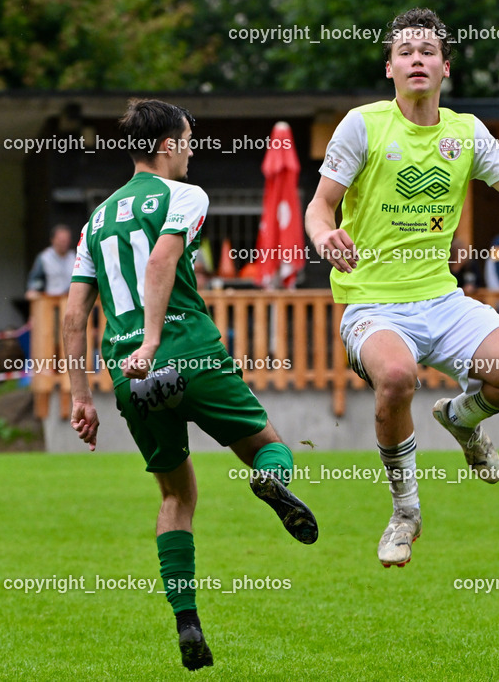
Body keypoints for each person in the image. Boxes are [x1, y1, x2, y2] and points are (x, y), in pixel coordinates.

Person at [304, 8, 499, 568]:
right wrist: (324, 236)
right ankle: (406, 511)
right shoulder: (362, 125)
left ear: (446, 66)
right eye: (405, 51)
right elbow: (319, 207)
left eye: (427, 51)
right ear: (390, 67)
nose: (416, 59)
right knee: (396, 377)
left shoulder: (467, 133)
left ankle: (461, 417)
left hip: (441, 300)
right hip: (372, 303)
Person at [62, 99, 318, 671]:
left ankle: (187, 621)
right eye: (188, 140)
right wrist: (155, 342)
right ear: (171, 145)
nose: (193, 150)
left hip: (125, 372)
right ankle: (270, 483)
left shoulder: (95, 220)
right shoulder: (186, 195)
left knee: (177, 497)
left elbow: (74, 315)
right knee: (268, 446)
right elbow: (161, 261)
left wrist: (81, 398)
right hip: (185, 351)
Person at [26, 224, 76, 298]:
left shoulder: (75, 257)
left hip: (70, 298)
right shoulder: (44, 257)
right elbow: (35, 279)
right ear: (52, 240)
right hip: (51, 300)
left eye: (66, 240)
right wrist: (33, 289)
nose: (63, 243)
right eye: (61, 240)